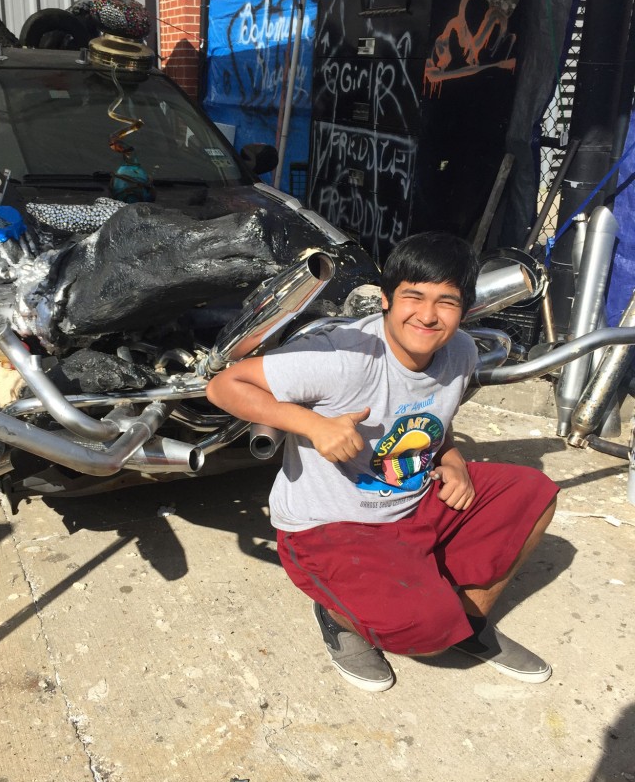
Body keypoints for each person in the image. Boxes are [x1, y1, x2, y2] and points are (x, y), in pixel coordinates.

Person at [206, 232, 558, 692]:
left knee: (534, 492)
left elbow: (433, 423)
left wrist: (452, 460)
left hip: (411, 504)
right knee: (426, 635)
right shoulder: (343, 355)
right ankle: (339, 616)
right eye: (413, 297)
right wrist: (312, 425)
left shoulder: (462, 351)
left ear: (465, 308)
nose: (428, 316)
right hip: (329, 526)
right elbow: (225, 386)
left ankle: (466, 623)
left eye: (446, 302)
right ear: (388, 299)